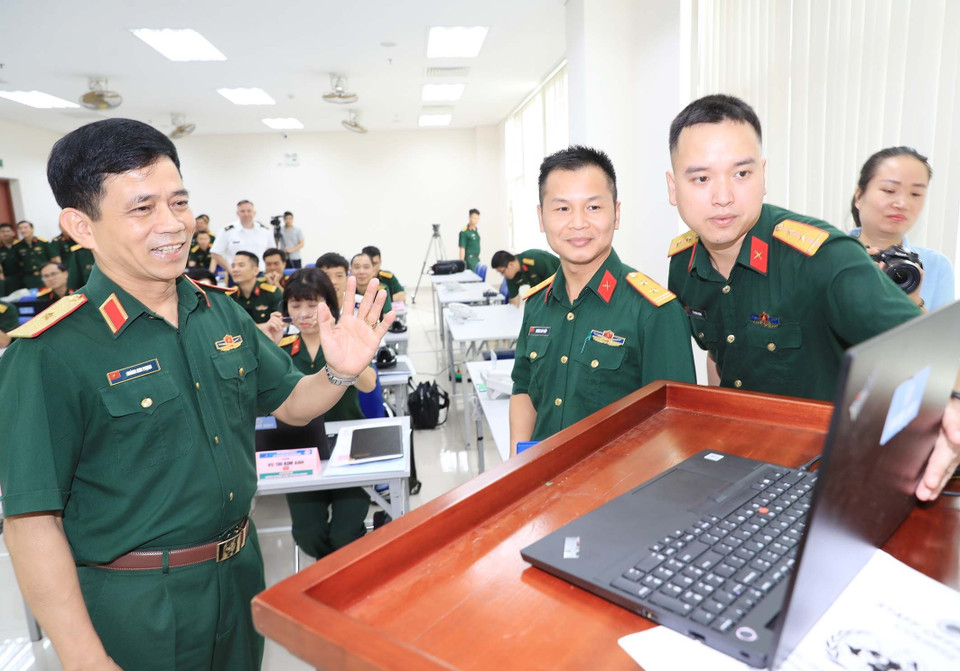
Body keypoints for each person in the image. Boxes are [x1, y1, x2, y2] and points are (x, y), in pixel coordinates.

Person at [0, 117, 393, 671]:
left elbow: (290, 402)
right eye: (142, 208)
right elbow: (31, 522)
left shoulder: (219, 310)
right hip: (137, 605)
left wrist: (338, 372)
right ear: (80, 226)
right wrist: (85, 659)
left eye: (179, 202)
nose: (173, 225)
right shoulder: (48, 352)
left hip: (238, 573)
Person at [665, 94, 922, 402]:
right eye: (702, 178)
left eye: (741, 174)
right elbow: (719, 356)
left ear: (763, 175)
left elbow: (924, 351)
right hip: (738, 440)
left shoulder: (824, 257)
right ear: (673, 188)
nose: (723, 196)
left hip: (820, 447)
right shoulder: (683, 263)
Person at [510, 146, 696, 455]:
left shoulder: (654, 312)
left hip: (618, 495)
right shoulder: (537, 304)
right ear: (541, 218)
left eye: (593, 208)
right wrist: (517, 464)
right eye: (562, 209)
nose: (578, 223)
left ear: (616, 213)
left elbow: (675, 427)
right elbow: (524, 390)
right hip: (542, 484)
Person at [278, 268, 377, 559]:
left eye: (313, 305)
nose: (305, 313)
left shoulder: (343, 339)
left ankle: (343, 576)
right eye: (296, 306)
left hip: (351, 445)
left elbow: (370, 385)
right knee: (308, 535)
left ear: (329, 306)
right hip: (298, 448)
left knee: (345, 534)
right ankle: (335, 571)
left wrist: (349, 360)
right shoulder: (280, 347)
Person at [848, 146, 954, 311]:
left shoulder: (936, 265)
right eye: (889, 190)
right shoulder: (829, 257)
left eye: (915, 194)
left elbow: (941, 336)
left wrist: (914, 302)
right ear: (859, 196)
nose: (902, 204)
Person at [210, 200, 275, 275]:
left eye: (249, 211)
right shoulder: (227, 231)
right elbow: (215, 253)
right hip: (236, 274)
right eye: (242, 211)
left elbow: (272, 253)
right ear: (237, 213)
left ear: (254, 213)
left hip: (260, 273)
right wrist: (229, 269)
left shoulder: (265, 231)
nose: (246, 214)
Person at [491, 248, 561, 307]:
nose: (502, 275)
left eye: (502, 272)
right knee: (531, 305)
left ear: (511, 264)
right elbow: (514, 301)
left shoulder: (536, 259)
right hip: (544, 290)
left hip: (562, 281)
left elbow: (555, 284)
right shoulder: (511, 275)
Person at [230, 250, 283, 325]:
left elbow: (279, 322)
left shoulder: (271, 293)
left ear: (255, 271)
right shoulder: (229, 296)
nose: (235, 269)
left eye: (241, 265)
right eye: (233, 266)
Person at [351, 252, 393, 320]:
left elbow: (386, 316)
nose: (361, 271)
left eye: (366, 267)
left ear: (373, 270)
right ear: (350, 271)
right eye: (357, 267)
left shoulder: (381, 290)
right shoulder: (345, 290)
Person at [15, 220, 53, 289]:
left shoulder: (43, 243)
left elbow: (53, 259)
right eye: (20, 228)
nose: (23, 230)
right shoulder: (17, 246)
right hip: (28, 278)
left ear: (32, 229)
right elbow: (18, 263)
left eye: (25, 228)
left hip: (44, 275)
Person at [0, 222, 21, 295]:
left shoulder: (20, 245)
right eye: (2, 231)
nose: (5, 233)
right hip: (8, 280)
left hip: (23, 277)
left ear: (13, 233)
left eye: (8, 231)